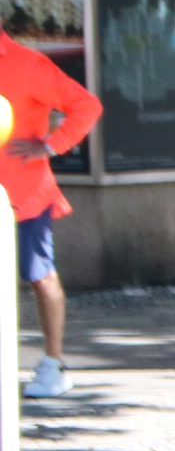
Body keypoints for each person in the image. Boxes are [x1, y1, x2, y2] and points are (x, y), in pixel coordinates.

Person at [0, 27, 101, 398]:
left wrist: (50, 146)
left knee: (39, 274)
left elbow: (87, 105)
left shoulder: (29, 65)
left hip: (24, 192)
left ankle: (53, 364)